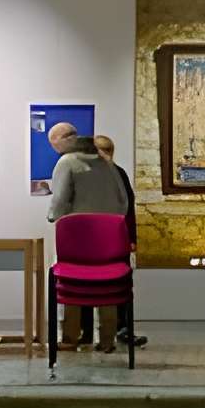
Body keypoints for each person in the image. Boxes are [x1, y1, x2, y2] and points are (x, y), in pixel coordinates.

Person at [44, 124, 132, 353]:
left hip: (77, 238)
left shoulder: (66, 163)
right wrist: (109, 224)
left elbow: (59, 201)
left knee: (73, 285)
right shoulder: (106, 162)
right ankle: (106, 340)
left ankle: (71, 337)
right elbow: (124, 201)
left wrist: (56, 217)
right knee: (108, 287)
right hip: (108, 242)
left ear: (60, 141)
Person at [91, 133, 148, 350]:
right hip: (112, 239)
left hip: (113, 239)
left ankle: (119, 330)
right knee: (116, 285)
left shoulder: (116, 174)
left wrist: (131, 239)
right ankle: (114, 331)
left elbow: (128, 208)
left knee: (119, 286)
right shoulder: (115, 174)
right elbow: (128, 208)